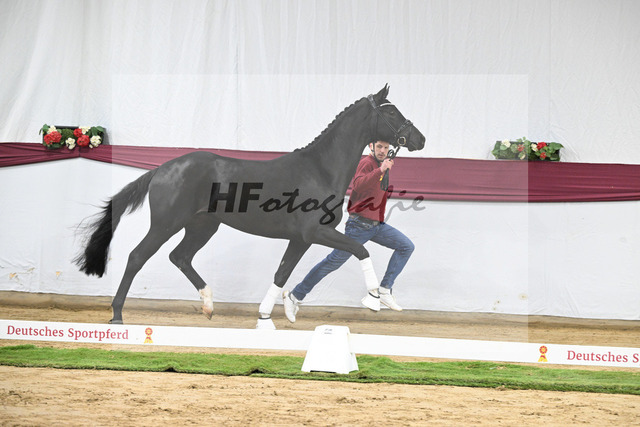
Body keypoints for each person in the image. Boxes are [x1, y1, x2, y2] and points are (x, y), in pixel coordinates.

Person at [283, 140, 415, 322]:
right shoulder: (367, 163)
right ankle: (294, 296)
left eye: (386, 148)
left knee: (406, 246)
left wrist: (382, 170)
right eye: (379, 147)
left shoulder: (382, 165)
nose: (382, 151)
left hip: (376, 226)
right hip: (359, 226)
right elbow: (358, 185)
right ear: (371, 146)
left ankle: (385, 290)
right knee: (332, 263)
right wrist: (381, 170)